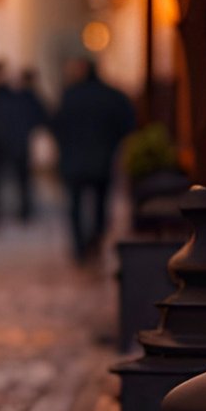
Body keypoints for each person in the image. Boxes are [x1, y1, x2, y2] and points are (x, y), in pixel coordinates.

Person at [52, 57, 138, 264]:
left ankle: (80, 248)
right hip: (102, 158)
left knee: (75, 205)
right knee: (100, 204)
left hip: (74, 160)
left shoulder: (70, 96)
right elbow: (128, 123)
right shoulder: (111, 95)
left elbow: (56, 125)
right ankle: (96, 241)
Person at [0, 63, 50, 221]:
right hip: (4, 143)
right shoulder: (4, 96)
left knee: (18, 181)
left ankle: (22, 211)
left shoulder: (12, 96)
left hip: (12, 143)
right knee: (2, 181)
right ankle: (2, 211)